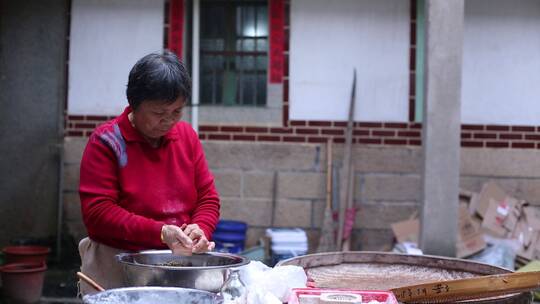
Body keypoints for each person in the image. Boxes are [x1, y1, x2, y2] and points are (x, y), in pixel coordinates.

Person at [78, 51, 220, 295]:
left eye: (177, 112)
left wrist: (199, 229)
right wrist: (161, 232)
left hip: (177, 265)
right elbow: (98, 213)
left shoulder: (186, 137)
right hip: (117, 265)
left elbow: (207, 198)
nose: (168, 121)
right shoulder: (107, 141)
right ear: (134, 103)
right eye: (159, 113)